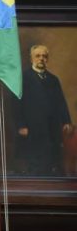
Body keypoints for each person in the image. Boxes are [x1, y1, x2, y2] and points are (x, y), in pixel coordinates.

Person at [15, 44, 73, 176]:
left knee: (52, 162)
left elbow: (61, 102)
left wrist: (66, 121)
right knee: (35, 164)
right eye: (38, 56)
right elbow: (17, 104)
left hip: (52, 128)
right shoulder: (23, 78)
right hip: (31, 128)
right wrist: (21, 125)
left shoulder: (54, 80)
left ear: (47, 59)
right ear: (31, 59)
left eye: (44, 56)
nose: (41, 59)